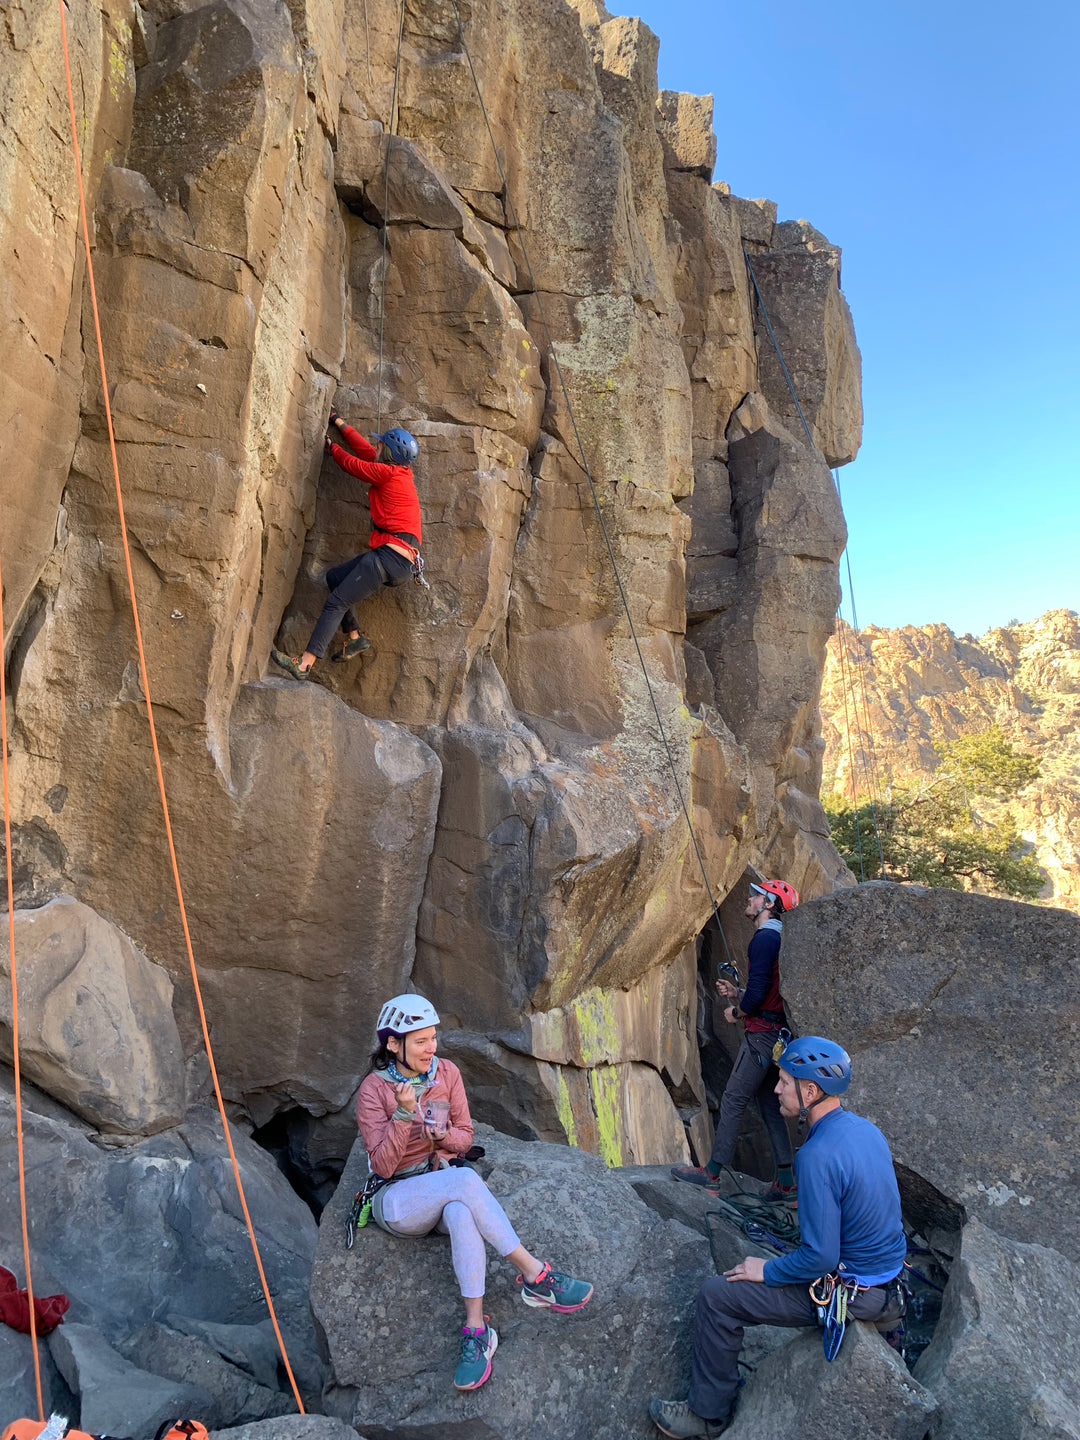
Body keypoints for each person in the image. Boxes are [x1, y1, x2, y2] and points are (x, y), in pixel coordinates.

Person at [649, 1036, 908, 1438]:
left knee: (717, 1296)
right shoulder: (866, 1131)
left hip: (858, 1293)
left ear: (810, 1090)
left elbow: (822, 1258)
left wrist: (766, 1269)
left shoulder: (815, 1156)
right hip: (891, 1284)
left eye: (784, 1081)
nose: (775, 1089)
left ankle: (707, 1415)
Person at [355, 993, 594, 1391]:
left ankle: (476, 1331)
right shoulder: (373, 1089)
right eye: (420, 1041)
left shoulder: (445, 1073)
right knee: (465, 1182)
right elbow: (382, 1165)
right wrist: (402, 1113)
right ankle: (535, 1274)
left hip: (441, 1183)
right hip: (396, 1199)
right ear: (393, 1044)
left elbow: (465, 1138)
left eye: (433, 1038)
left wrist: (442, 1136)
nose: (431, 1048)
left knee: (462, 1210)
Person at [672, 879, 798, 1200]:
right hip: (778, 1036)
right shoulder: (782, 938)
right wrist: (738, 993)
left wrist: (736, 1011)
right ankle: (786, 1181)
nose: (750, 898)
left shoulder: (763, 939)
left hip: (759, 1037)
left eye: (756, 895)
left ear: (768, 905)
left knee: (733, 1098)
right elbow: (768, 993)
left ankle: (712, 1174)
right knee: (770, 1103)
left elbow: (757, 996)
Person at [270, 412, 422, 678]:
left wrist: (332, 448)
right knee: (334, 578)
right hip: (396, 559)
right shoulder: (398, 472)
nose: (375, 447)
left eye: (380, 445)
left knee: (335, 603)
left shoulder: (387, 475)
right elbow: (364, 451)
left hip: (391, 559)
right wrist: (339, 422)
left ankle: (304, 664)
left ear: (387, 453)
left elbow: (354, 464)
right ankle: (353, 637)